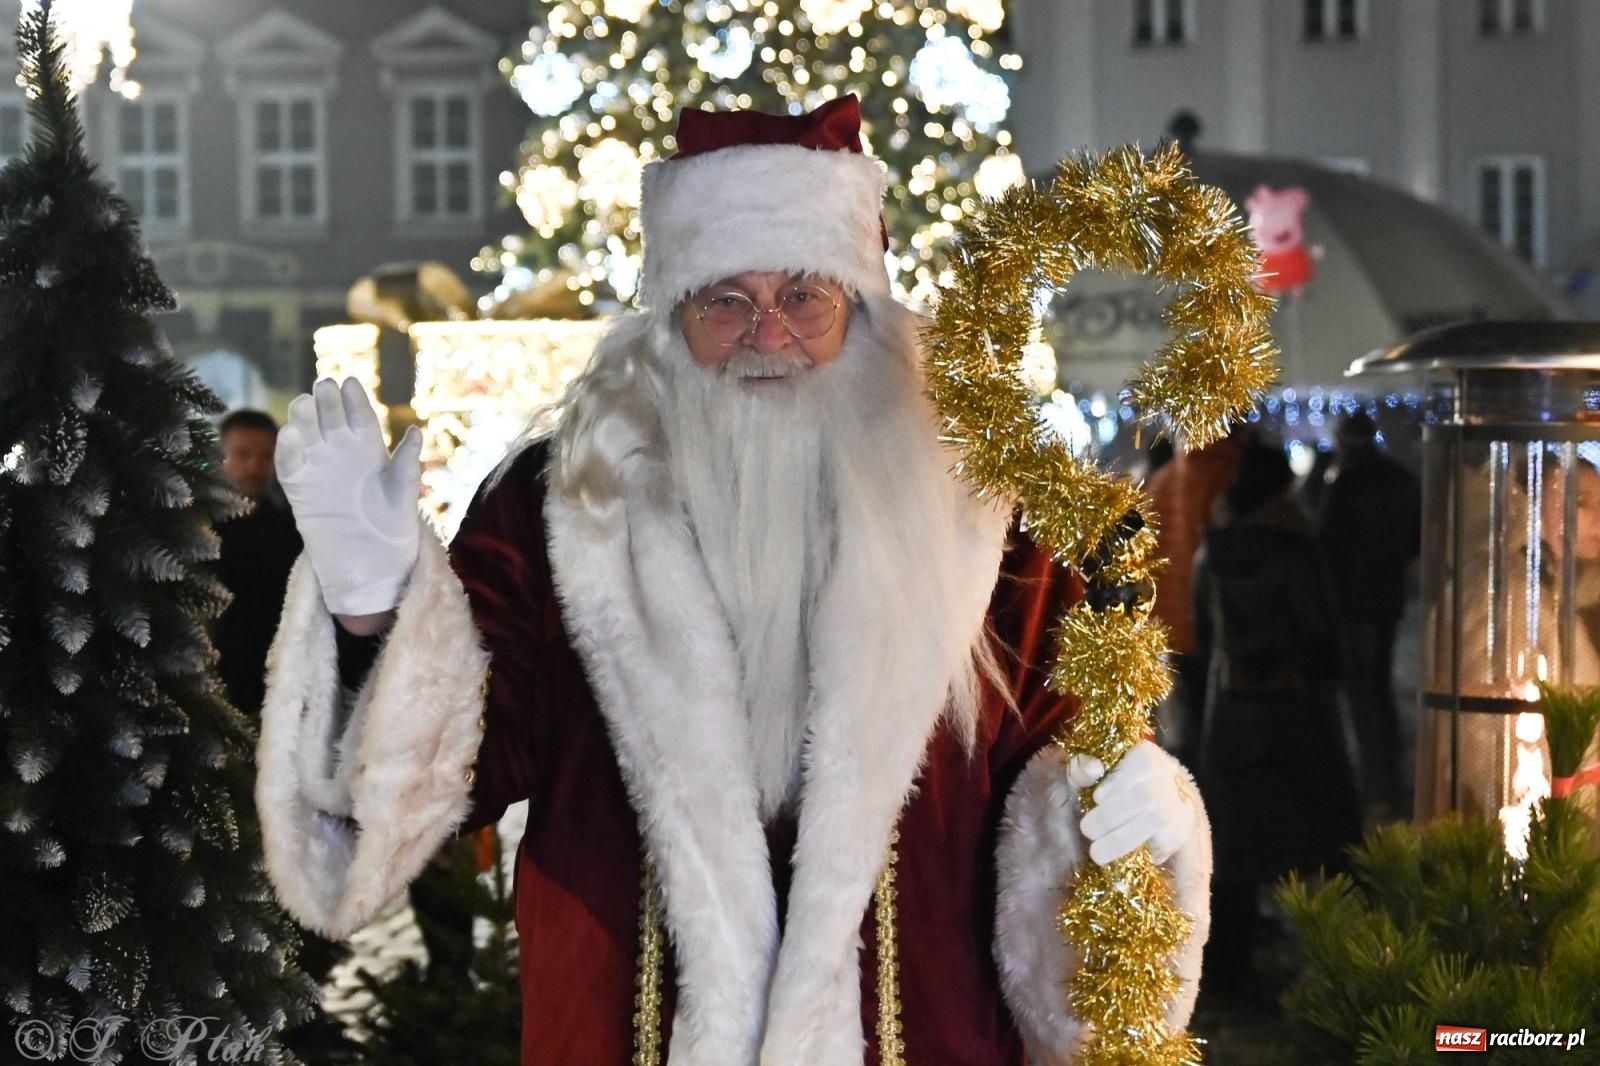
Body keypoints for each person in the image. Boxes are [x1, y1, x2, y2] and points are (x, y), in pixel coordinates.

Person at [254, 97, 1212, 1065]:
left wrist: (1121, 819)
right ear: (671, 320)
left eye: (803, 296)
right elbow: (450, 774)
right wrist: (372, 613)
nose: (766, 335)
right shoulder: (562, 510)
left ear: (863, 311)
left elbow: (1063, 778)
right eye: (725, 300)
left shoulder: (988, 526)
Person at [1191, 435, 1361, 995]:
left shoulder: (1212, 551)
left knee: (1236, 846)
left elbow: (1202, 631)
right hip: (1296, 716)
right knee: (1321, 834)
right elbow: (1318, 629)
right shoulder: (1295, 550)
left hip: (1232, 717)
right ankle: (1341, 957)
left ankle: (1228, 961)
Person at [1317, 410, 1421, 818]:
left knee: (1361, 692)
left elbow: (1327, 544)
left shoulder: (1344, 481)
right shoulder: (1400, 479)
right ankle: (1391, 773)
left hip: (1351, 602)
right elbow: (1414, 541)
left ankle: (1374, 780)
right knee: (1379, 684)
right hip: (1387, 597)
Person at [1147, 424, 1251, 766]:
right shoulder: (1228, 474)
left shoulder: (1164, 478)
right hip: (1220, 624)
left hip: (1172, 623)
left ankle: (1193, 779)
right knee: (1223, 721)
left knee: (1187, 717)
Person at [213, 409, 302, 716]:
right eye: (243, 454)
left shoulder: (289, 532)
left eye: (265, 456)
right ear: (221, 457)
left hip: (273, 690)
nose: (254, 466)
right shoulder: (196, 532)